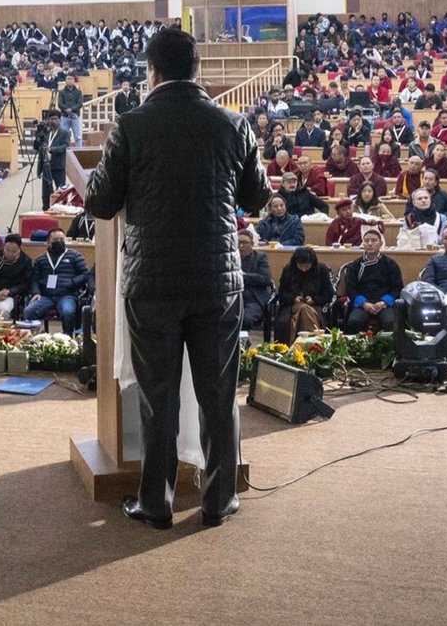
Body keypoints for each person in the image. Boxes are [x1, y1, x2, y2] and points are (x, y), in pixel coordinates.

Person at [84, 26, 269, 530]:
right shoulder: (234, 123)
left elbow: (99, 201)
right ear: (197, 70)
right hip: (217, 279)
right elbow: (255, 199)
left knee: (158, 396)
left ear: (153, 72)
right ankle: (216, 500)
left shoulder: (131, 124)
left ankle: (156, 502)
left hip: (153, 282)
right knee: (217, 393)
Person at [336, 226, 402, 331]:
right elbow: (351, 289)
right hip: (363, 303)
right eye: (366, 241)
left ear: (381, 244)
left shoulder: (390, 264)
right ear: (363, 244)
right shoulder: (355, 265)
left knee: (390, 322)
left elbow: (397, 288)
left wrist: (383, 303)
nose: (370, 243)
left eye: (374, 240)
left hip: (384, 303)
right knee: (355, 321)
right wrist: (364, 304)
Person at [22, 229, 89, 331]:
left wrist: (71, 282)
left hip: (67, 295)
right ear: (48, 241)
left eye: (62, 239)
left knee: (68, 312)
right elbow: (34, 279)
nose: (59, 242)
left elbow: (84, 274)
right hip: (46, 296)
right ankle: (33, 339)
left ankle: (68, 339)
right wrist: (36, 292)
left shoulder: (74, 255)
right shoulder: (41, 259)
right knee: (29, 311)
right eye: (55, 239)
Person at [273, 245, 334, 343]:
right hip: (291, 306)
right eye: (301, 266)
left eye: (307, 266)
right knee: (303, 308)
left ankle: (298, 343)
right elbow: (282, 293)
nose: (304, 269)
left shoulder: (321, 269)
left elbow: (329, 293)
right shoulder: (289, 269)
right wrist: (293, 298)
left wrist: (314, 299)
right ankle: (314, 342)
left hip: (315, 306)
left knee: (304, 310)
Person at [237, 228, 272, 332]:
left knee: (245, 318)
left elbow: (264, 278)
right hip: (233, 298)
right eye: (238, 243)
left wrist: (242, 276)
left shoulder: (260, 257)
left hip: (253, 299)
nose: (241, 246)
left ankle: (242, 344)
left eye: (245, 243)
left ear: (252, 244)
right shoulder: (231, 258)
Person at [37, 109, 68, 208]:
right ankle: (45, 209)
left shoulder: (65, 133)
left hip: (59, 166)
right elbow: (40, 151)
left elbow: (65, 147)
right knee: (45, 193)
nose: (53, 121)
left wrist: (52, 149)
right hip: (47, 167)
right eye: (51, 119)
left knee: (61, 192)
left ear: (60, 120)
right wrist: (39, 169)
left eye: (55, 119)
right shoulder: (45, 133)